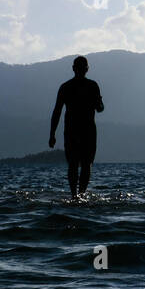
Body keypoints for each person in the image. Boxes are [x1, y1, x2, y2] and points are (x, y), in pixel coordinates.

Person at [49, 55, 104, 199]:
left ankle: (75, 196)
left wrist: (52, 134)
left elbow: (57, 112)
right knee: (86, 164)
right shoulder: (92, 86)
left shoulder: (66, 87)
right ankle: (80, 195)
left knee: (74, 164)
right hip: (86, 131)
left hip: (73, 131)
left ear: (74, 68)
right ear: (87, 69)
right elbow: (100, 108)